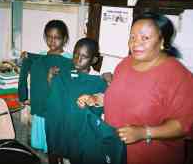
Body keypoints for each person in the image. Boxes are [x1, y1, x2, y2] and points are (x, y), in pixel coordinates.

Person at [77, 12, 193, 164]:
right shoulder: (125, 64)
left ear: (162, 41)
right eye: (132, 37)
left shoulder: (178, 76)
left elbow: (183, 125)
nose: (136, 43)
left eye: (145, 38)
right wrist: (96, 99)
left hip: (152, 157)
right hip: (116, 152)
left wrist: (145, 132)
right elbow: (120, 98)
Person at [46, 38, 126, 164]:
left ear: (93, 60)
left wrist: (106, 86)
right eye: (76, 54)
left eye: (84, 56)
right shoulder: (64, 75)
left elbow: (106, 107)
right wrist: (51, 79)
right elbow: (56, 97)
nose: (78, 59)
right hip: (64, 129)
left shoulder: (98, 81)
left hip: (84, 134)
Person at [19, 19, 72, 154]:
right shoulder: (40, 56)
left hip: (56, 107)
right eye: (49, 37)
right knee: (43, 139)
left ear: (64, 39)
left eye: (57, 38)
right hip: (41, 105)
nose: (52, 41)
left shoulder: (69, 59)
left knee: (55, 141)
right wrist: (25, 95)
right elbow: (33, 76)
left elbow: (72, 81)